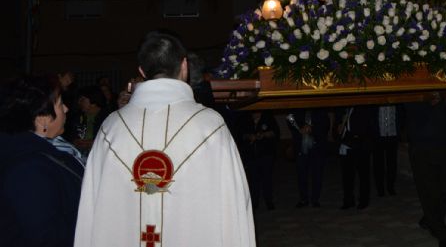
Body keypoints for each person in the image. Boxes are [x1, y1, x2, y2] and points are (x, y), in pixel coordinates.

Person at [74, 30, 255, 247]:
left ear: (141, 71)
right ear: (185, 66)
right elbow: (234, 206)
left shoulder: (110, 129)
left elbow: (90, 211)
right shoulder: (210, 126)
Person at [0, 76, 84, 247]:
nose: (66, 109)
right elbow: (46, 236)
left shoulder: (36, 152)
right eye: (60, 104)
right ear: (43, 118)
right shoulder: (28, 169)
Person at [405, 94, 446, 247]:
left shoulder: (442, 89)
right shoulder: (412, 91)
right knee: (429, 192)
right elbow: (415, 112)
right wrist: (436, 103)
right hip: (421, 148)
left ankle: (431, 219)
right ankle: (442, 234)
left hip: (444, 146)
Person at [287, 108, 331, 207]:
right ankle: (303, 199)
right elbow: (289, 119)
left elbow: (326, 125)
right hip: (301, 147)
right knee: (301, 174)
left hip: (317, 146)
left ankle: (315, 199)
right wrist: (299, 129)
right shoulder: (297, 108)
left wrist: (312, 129)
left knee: (317, 174)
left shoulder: (320, 110)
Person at [237, 110, 280, 211]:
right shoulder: (244, 117)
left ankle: (269, 201)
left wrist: (264, 135)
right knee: (253, 180)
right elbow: (239, 134)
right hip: (251, 155)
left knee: (267, 179)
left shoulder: (268, 117)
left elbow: (276, 133)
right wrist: (249, 136)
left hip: (266, 154)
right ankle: (254, 203)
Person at [337, 105, 375, 210]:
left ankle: (363, 201)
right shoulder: (343, 108)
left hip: (361, 146)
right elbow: (338, 124)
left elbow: (367, 127)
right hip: (346, 145)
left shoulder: (364, 107)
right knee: (347, 175)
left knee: (363, 175)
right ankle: (348, 200)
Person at [372, 104, 401, 197]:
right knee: (378, 164)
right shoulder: (375, 104)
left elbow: (401, 116)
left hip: (392, 135)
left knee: (392, 163)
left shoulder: (396, 103)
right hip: (378, 136)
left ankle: (390, 187)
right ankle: (380, 189)